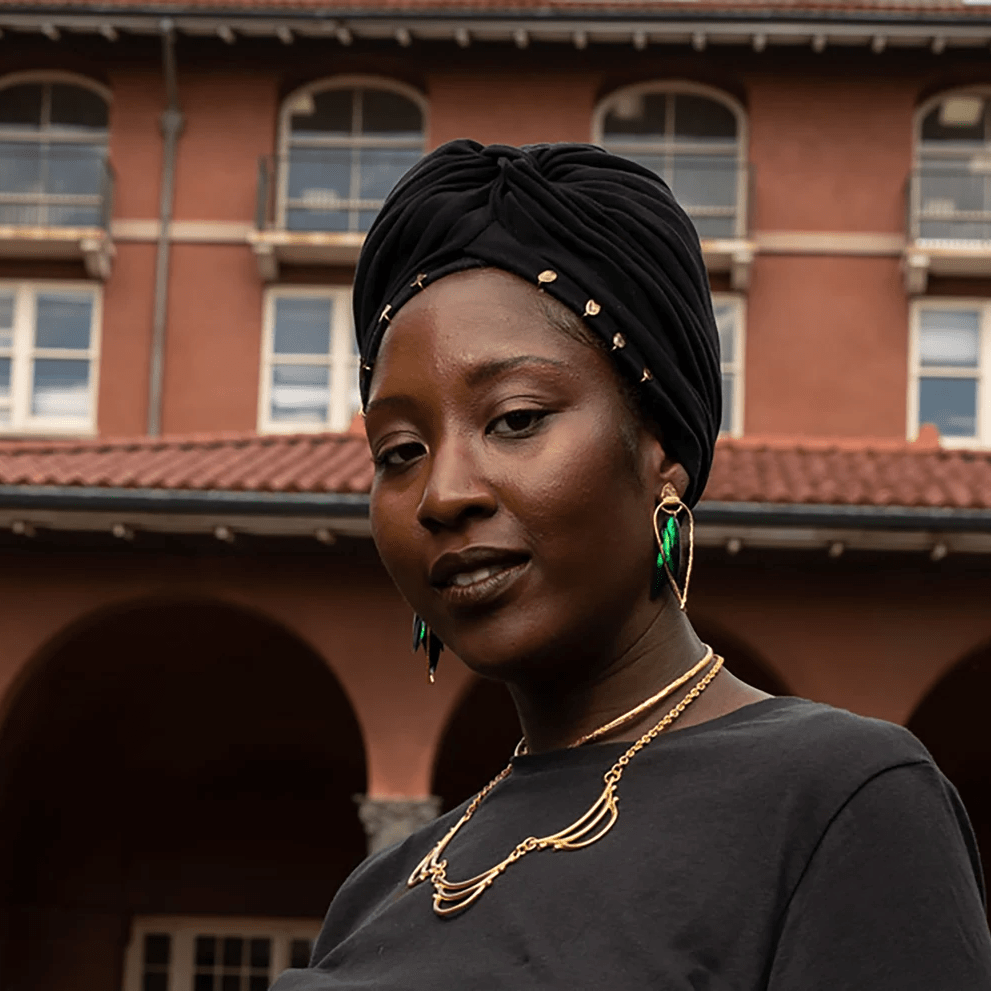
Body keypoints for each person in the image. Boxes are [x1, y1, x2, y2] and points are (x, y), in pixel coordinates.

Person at [272, 140, 991, 989]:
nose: (442, 493)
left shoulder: (841, 800)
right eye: (399, 450)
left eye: (515, 418)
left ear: (660, 452)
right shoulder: (377, 891)